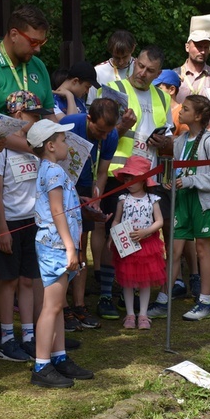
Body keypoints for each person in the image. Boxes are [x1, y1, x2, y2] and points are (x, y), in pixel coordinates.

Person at [0, 4, 55, 355]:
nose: (37, 49)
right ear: (14, 34)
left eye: (42, 43)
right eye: (33, 42)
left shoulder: (38, 67)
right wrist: (33, 146)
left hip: (34, 170)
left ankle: (37, 327)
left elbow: (48, 113)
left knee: (32, 249)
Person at [97, 45, 174, 320]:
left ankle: (131, 292)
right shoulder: (112, 88)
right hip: (118, 174)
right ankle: (107, 292)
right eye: (139, 65)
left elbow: (170, 141)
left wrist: (165, 143)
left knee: (147, 236)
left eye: (150, 70)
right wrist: (120, 128)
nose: (142, 72)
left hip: (150, 177)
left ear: (158, 73)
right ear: (134, 62)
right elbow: (97, 133)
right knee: (113, 234)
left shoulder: (163, 99)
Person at [28, 119, 94, 388]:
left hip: (58, 244)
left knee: (57, 305)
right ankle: (41, 365)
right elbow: (57, 212)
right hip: (55, 246)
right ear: (51, 146)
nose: (68, 144)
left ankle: (58, 357)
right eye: (64, 140)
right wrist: (70, 247)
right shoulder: (53, 172)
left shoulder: (53, 169)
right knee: (52, 306)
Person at [153, 95, 210, 321]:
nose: (180, 112)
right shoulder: (180, 141)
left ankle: (205, 302)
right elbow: (179, 169)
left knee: (203, 250)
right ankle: (163, 301)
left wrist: (191, 181)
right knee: (174, 250)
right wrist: (172, 180)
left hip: (202, 202)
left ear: (197, 116)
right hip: (182, 201)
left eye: (184, 109)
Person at [0, 91, 49, 361]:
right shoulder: (1, 145)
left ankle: (28, 334)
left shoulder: (33, 148)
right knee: (9, 281)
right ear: (16, 115)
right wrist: (2, 228)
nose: (36, 121)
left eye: (39, 116)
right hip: (11, 222)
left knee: (28, 279)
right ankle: (5, 337)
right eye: (32, 116)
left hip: (33, 222)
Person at [60, 98, 120, 331]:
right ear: (88, 119)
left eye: (108, 132)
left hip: (86, 189)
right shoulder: (68, 125)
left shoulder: (111, 135)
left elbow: (103, 171)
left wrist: (97, 199)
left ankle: (79, 304)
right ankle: (63, 306)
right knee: (64, 248)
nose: (104, 137)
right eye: (99, 131)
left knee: (81, 247)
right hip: (61, 189)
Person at [109, 156, 165, 330]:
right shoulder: (123, 199)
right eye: (126, 178)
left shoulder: (152, 200)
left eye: (132, 178)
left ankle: (143, 314)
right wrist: (112, 238)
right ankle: (130, 314)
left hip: (147, 245)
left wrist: (146, 232)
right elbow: (116, 220)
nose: (129, 182)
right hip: (127, 246)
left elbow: (159, 221)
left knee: (145, 281)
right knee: (127, 280)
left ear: (143, 181)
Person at [174, 30, 210, 127]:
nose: (203, 51)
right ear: (187, 47)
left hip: (208, 136)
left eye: (206, 47)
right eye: (198, 46)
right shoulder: (174, 75)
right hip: (179, 135)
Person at [86, 30, 137, 105]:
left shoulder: (139, 69)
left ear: (133, 48)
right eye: (117, 57)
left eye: (125, 57)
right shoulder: (98, 71)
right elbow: (91, 104)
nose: (121, 62)